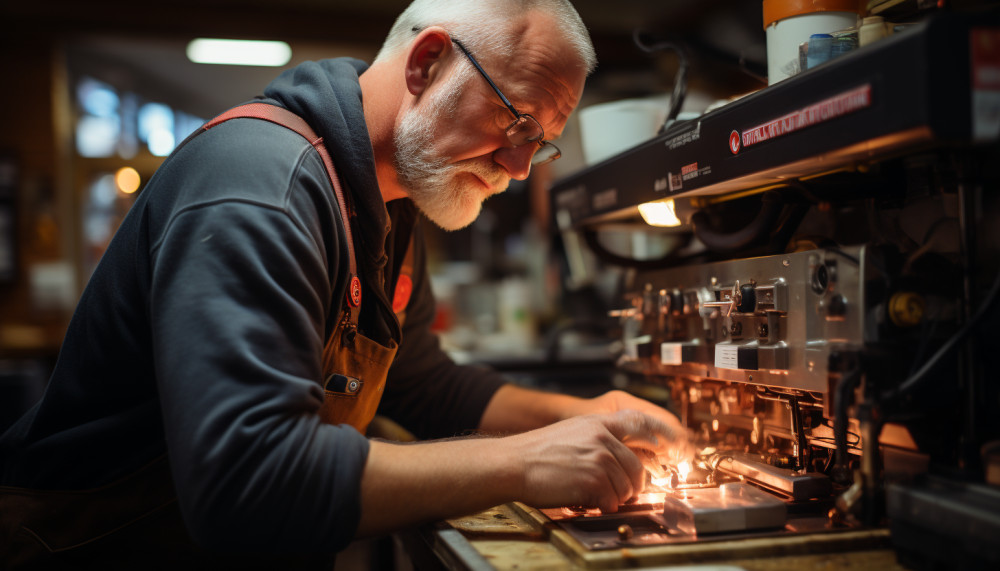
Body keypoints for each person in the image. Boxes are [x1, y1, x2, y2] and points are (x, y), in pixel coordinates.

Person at [0, 0, 691, 568]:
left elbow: (424, 385)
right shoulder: (261, 184)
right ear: (428, 61)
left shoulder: (390, 202)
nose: (516, 166)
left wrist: (583, 414)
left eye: (539, 141)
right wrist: (523, 462)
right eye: (515, 121)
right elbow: (249, 480)